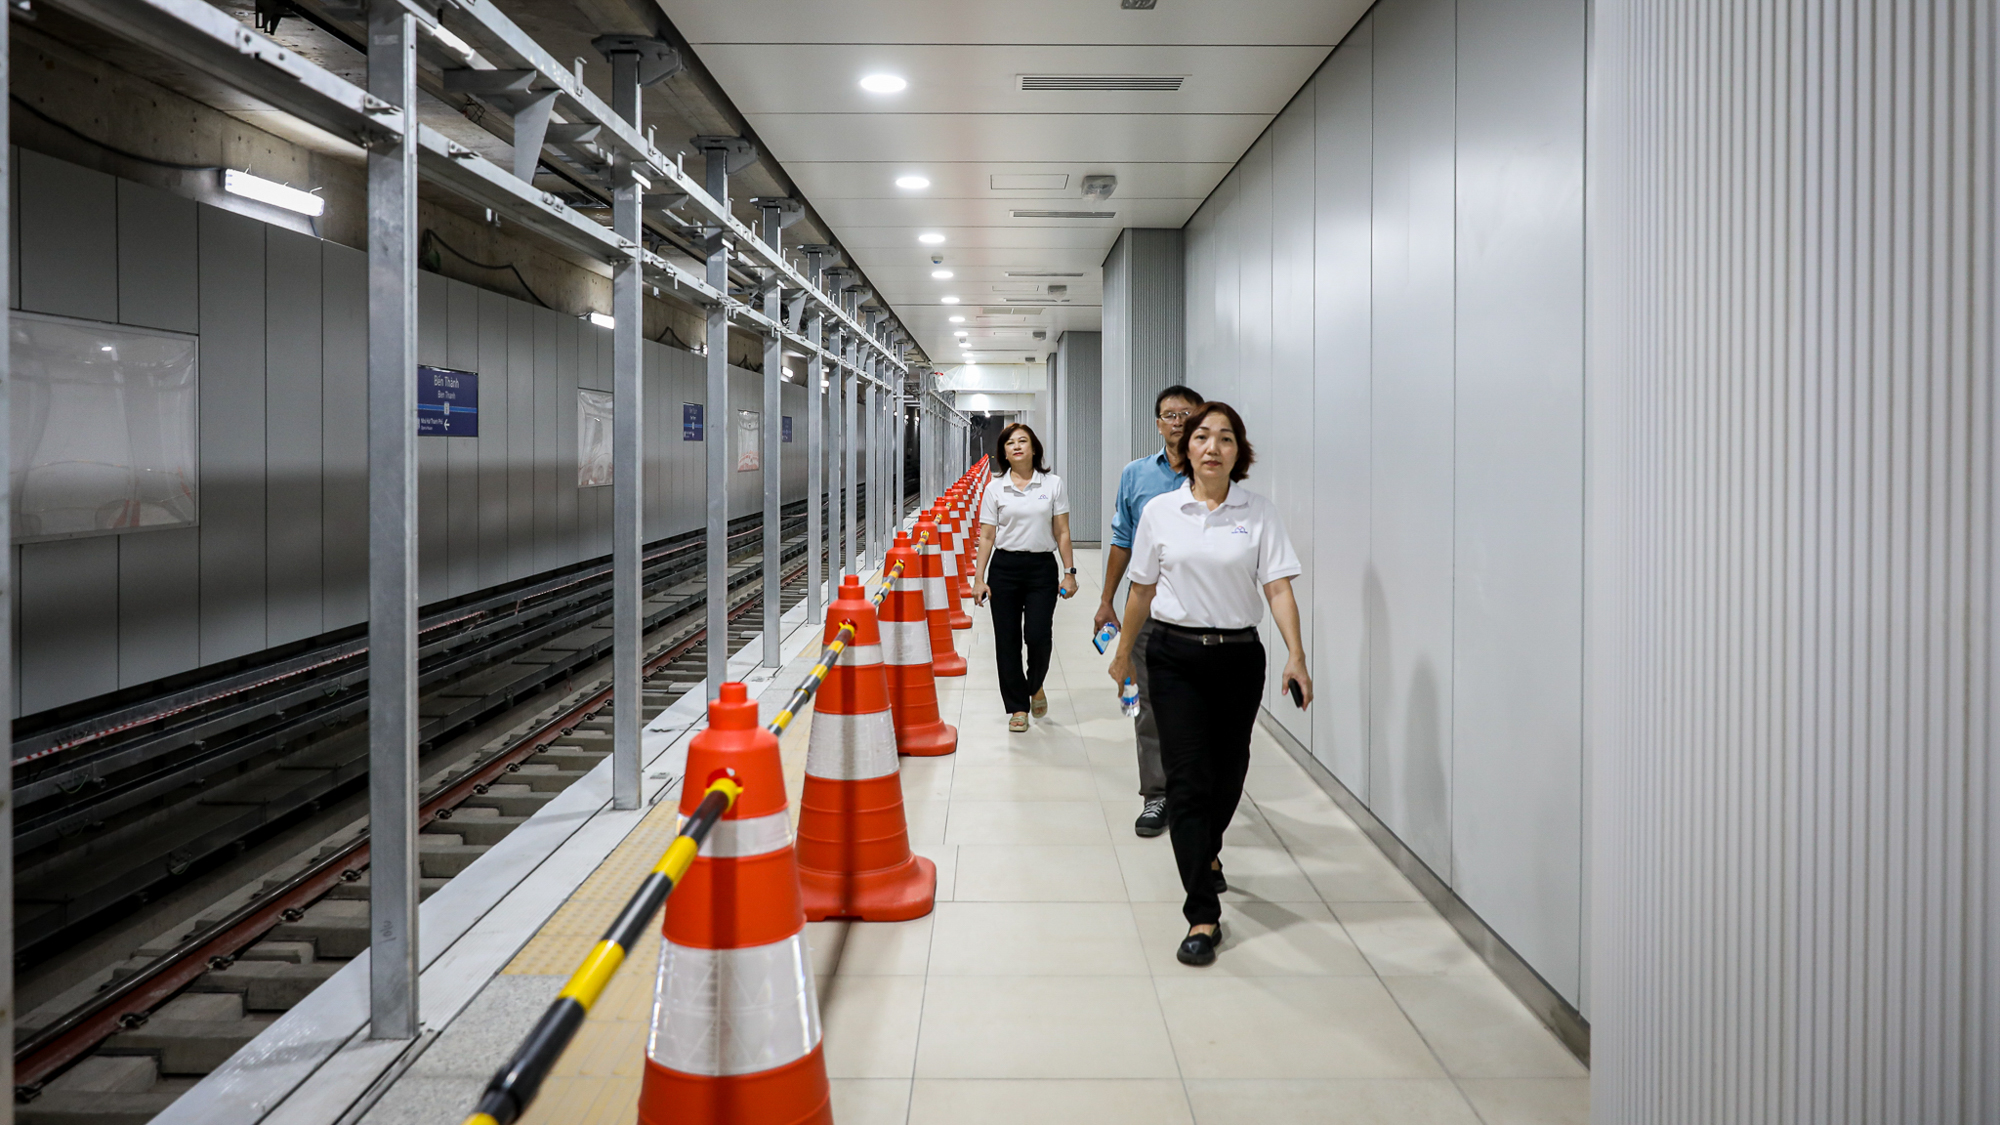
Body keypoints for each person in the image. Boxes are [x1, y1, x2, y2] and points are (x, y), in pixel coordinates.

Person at [1106, 402, 1312, 966]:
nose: (1212, 447)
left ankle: (1209, 851)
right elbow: (1142, 590)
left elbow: (1278, 590)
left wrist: (1296, 654)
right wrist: (1124, 654)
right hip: (1173, 657)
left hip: (1239, 659)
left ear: (1237, 451)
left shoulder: (1259, 512)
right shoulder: (1160, 512)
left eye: (1225, 437)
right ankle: (1202, 912)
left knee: (1228, 775)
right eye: (1202, 436)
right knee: (1188, 782)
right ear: (1186, 449)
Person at [1095, 385, 1204, 837]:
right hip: (1149, 612)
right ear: (1157, 424)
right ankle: (1157, 795)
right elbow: (1122, 541)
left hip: (1203, 613)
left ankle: (1196, 792)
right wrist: (1106, 601)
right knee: (1148, 707)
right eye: (1168, 415)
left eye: (1185, 414)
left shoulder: (1217, 475)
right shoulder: (1136, 475)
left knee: (1201, 709)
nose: (1177, 421)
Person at [970, 423, 1078, 732]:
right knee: (1007, 641)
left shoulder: (1052, 484)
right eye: (1010, 443)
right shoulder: (995, 488)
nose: (1017, 446)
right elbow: (987, 536)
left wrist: (1069, 573)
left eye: (1023, 441)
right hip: (1004, 569)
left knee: (1038, 635)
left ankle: (1034, 685)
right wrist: (980, 579)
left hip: (1041, 568)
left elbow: (1062, 531)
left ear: (1034, 448)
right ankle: (1018, 707)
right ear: (1003, 452)